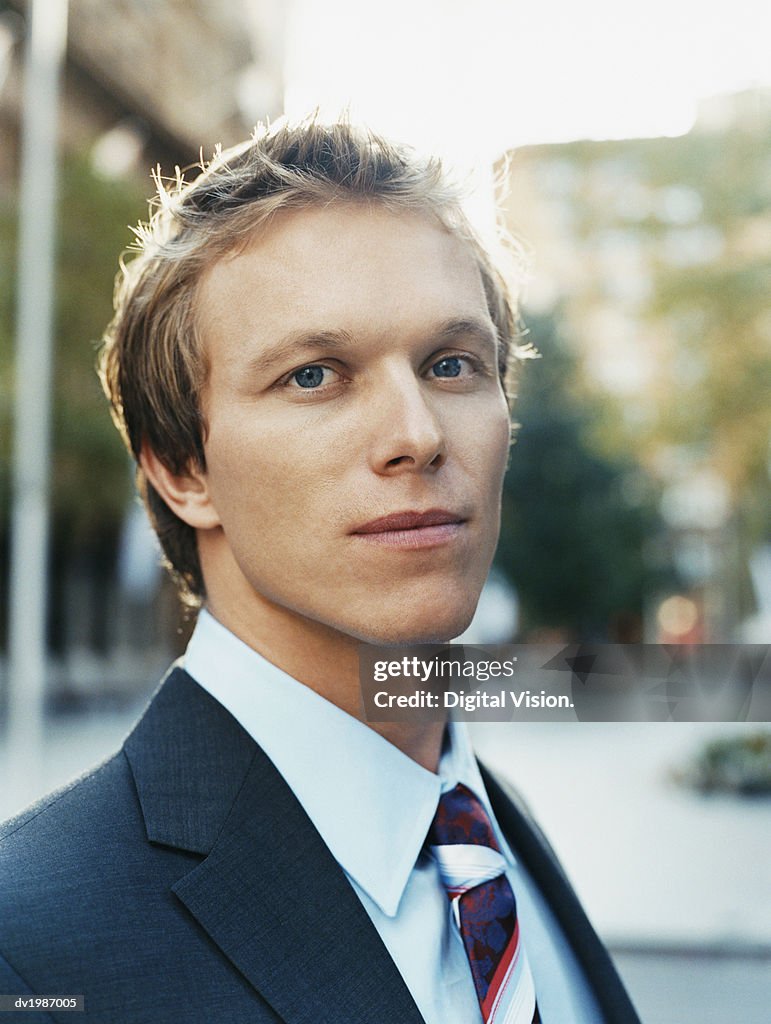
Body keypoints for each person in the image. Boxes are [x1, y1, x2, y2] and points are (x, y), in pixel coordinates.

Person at [0, 118, 641, 1023]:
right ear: (183, 470)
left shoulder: (491, 835)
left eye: (451, 364)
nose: (417, 434)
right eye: (314, 376)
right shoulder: (26, 949)